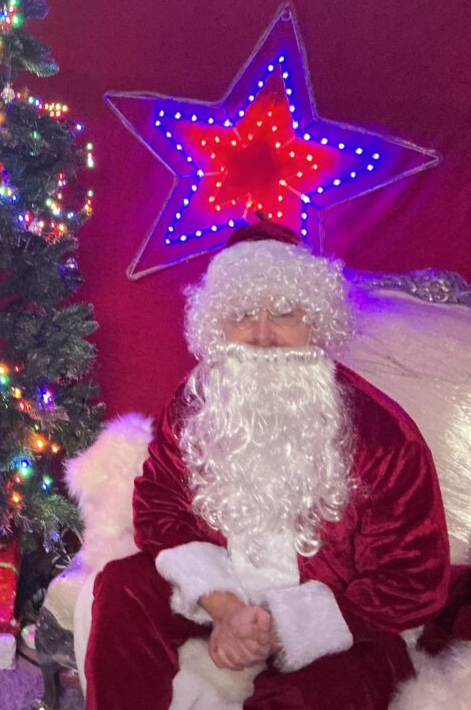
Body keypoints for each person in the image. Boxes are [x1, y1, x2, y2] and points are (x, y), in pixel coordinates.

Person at [84, 221, 451, 710]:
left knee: (312, 695)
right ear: (217, 326)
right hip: (223, 595)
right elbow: (159, 507)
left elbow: (412, 579)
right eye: (241, 315)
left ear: (315, 321)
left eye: (282, 313)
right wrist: (224, 605)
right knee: (122, 589)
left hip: (339, 626)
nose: (261, 336)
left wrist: (282, 625)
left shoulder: (384, 434)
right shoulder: (195, 404)